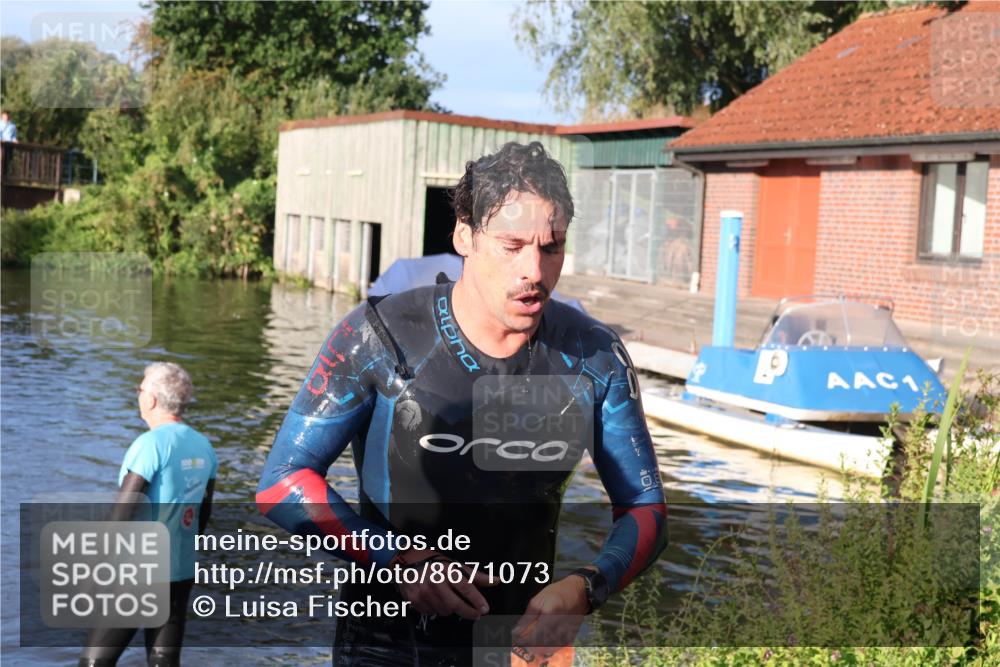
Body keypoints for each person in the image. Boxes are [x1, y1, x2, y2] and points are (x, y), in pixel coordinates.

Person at [258, 141, 667, 665]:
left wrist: (588, 586)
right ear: (465, 237)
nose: (535, 271)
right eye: (512, 245)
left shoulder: (594, 356)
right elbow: (281, 481)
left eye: (552, 246)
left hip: (518, 642)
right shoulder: (380, 337)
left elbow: (645, 508)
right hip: (386, 644)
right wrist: (395, 561)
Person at [80, 362, 217, 667]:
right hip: (181, 568)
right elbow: (202, 515)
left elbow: (124, 511)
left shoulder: (149, 445)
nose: (138, 394)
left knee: (94, 661)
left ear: (152, 399)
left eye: (140, 388)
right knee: (163, 659)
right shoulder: (204, 446)